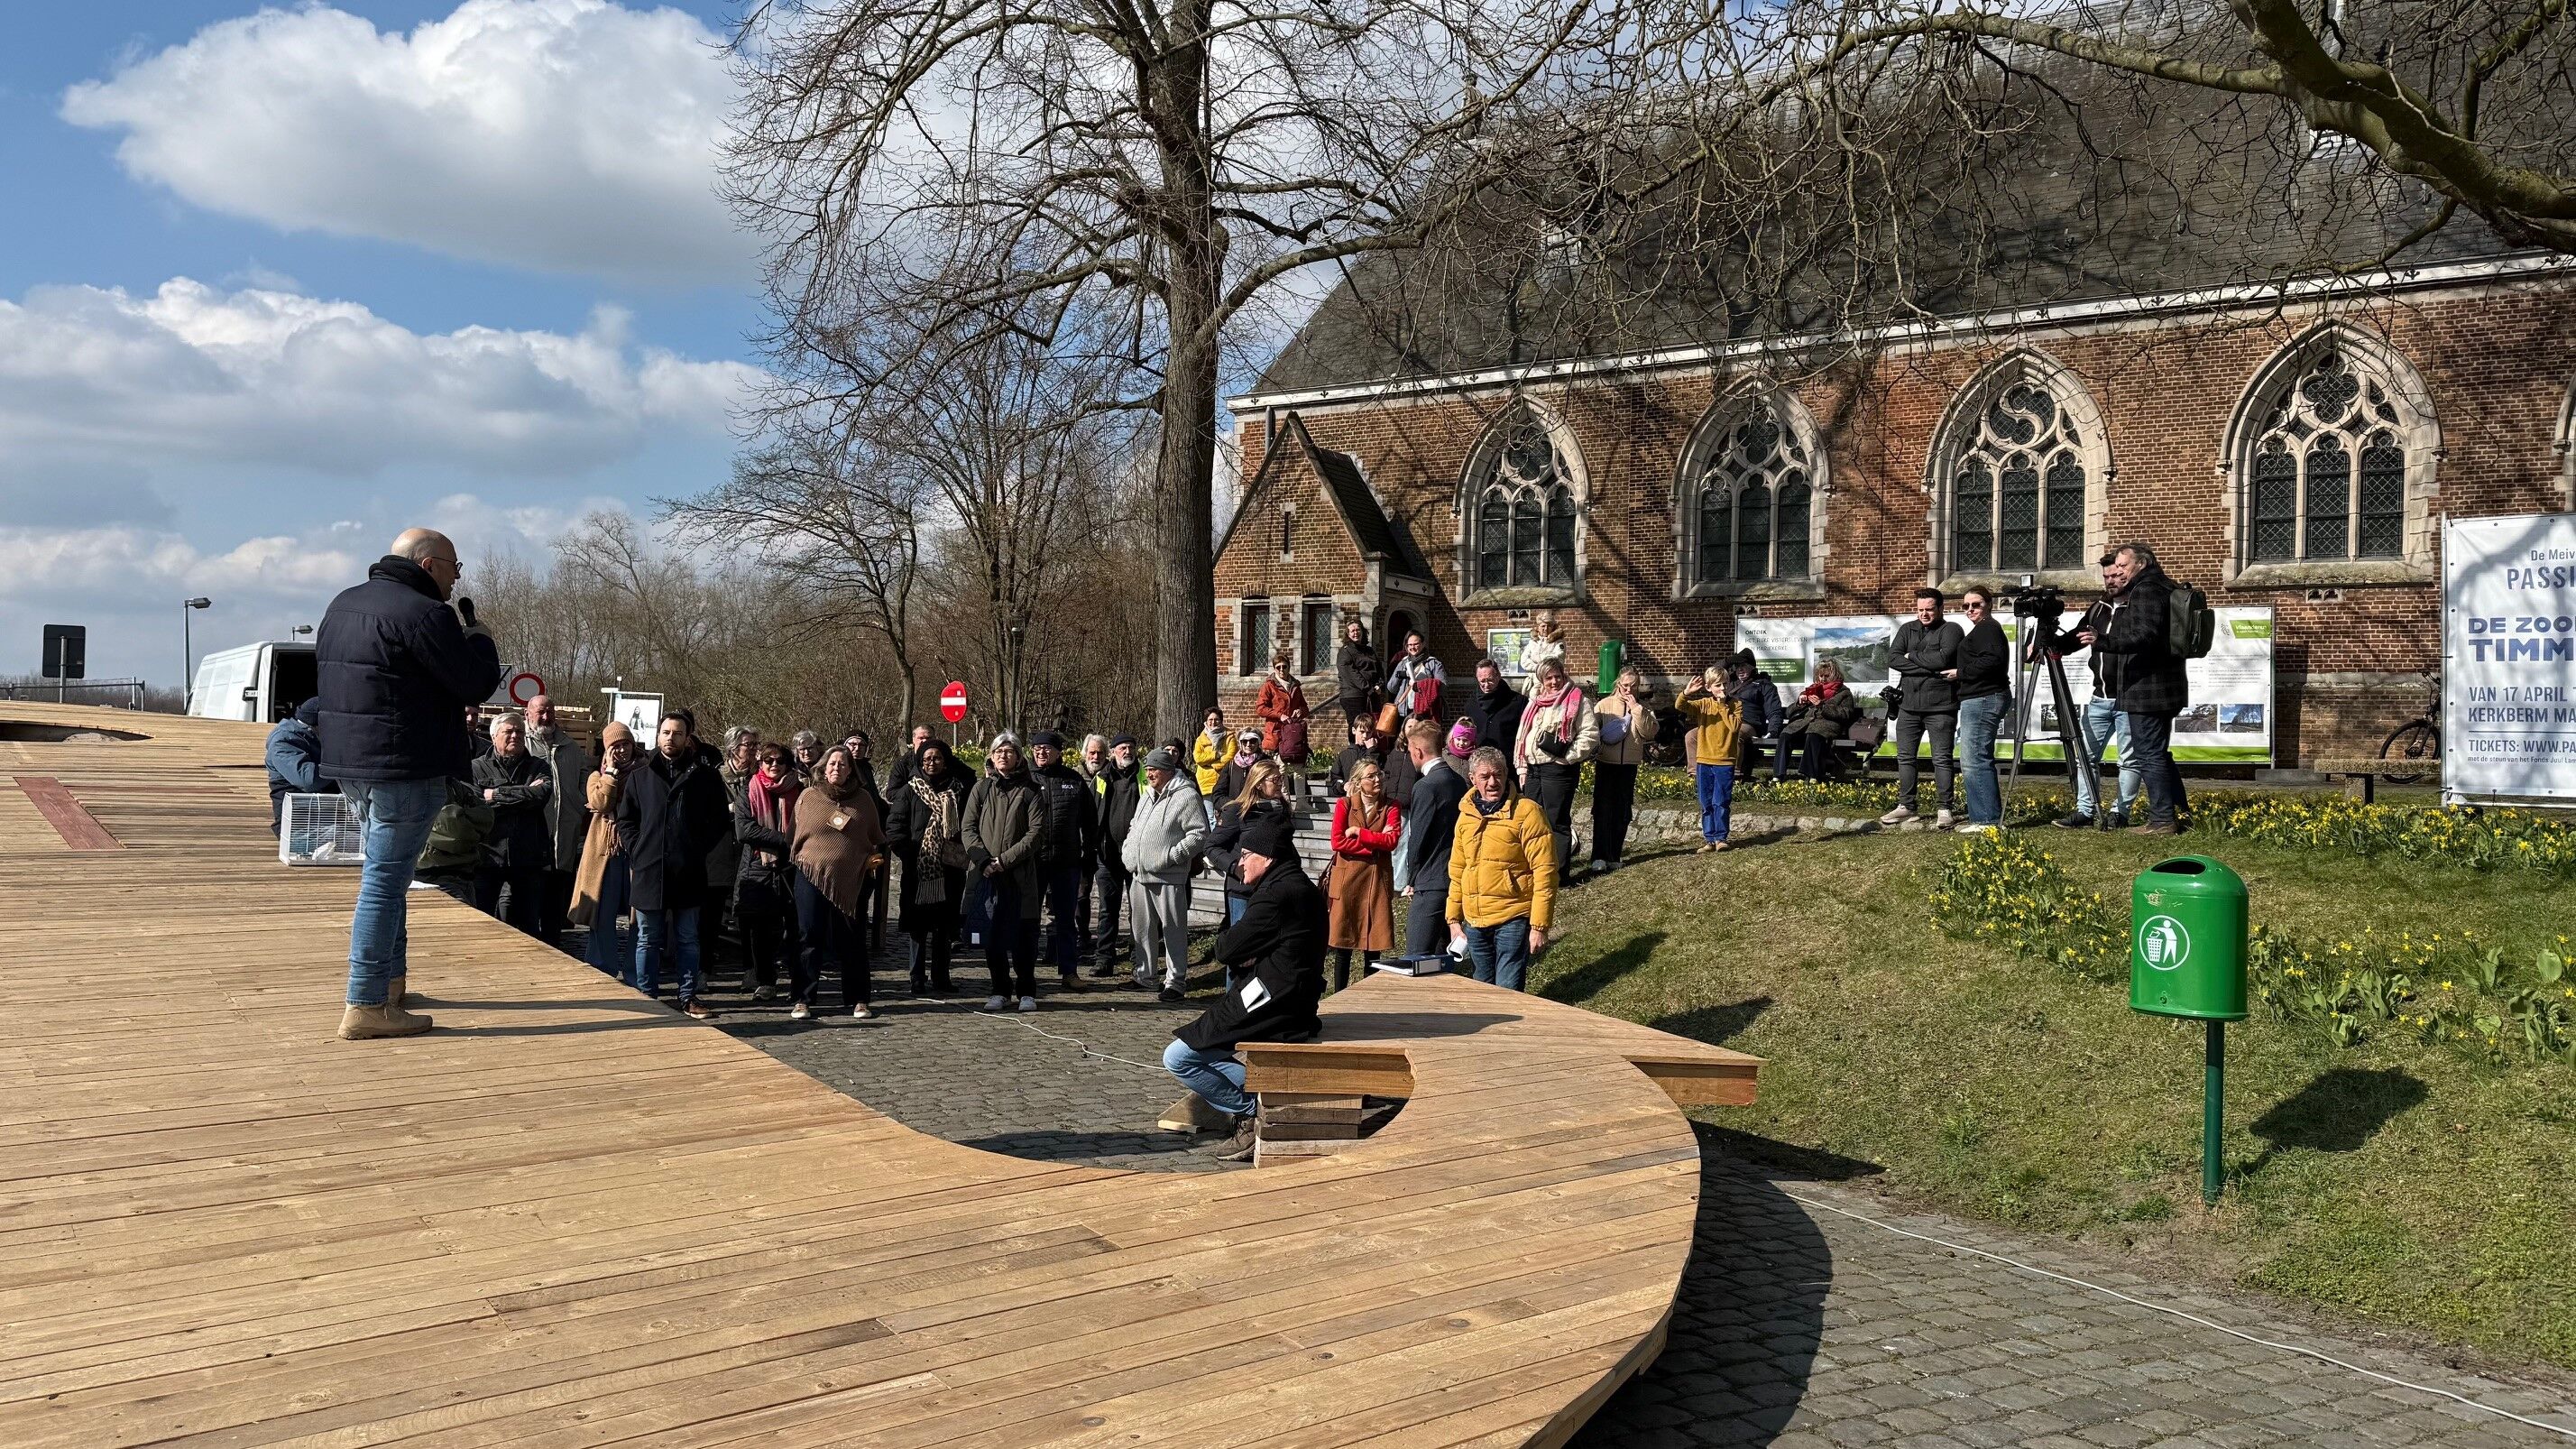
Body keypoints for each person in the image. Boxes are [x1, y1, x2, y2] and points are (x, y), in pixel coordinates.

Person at [316, 527, 502, 1040]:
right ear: (428, 565)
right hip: (405, 766)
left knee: (389, 876)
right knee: (384, 883)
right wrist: (481, 638)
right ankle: (366, 1002)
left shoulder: (342, 605)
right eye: (454, 567)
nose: (456, 578)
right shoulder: (426, 614)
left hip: (351, 765)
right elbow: (474, 682)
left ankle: (390, 986)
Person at [1163, 811, 1327, 1162]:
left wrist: (1245, 952)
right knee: (1202, 1045)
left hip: (1277, 1003)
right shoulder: (1295, 884)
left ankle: (1251, 1110)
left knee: (1178, 1058)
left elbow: (1226, 949)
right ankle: (1261, 1098)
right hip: (1289, 998)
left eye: (1246, 854)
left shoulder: (1277, 894)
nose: (1239, 862)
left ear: (1267, 857)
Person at [614, 712, 732, 1019]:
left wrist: (696, 848)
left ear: (687, 738)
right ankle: (647, 998)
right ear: (658, 735)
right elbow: (626, 820)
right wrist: (638, 849)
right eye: (666, 732)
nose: (671, 738)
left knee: (688, 938)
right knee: (647, 938)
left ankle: (688, 996)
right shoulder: (641, 776)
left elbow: (719, 821)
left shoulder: (705, 777)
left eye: (677, 733)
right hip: (650, 869)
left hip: (688, 871)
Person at [2084, 541, 2191, 835]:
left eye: (2123, 565)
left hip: (2147, 690)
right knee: (2159, 753)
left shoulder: (2145, 590)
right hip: (2167, 687)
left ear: (2141, 564)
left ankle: (2162, 820)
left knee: (2149, 755)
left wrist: (2103, 641)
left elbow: (2144, 636)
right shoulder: (2166, 586)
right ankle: (2180, 812)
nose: (2118, 571)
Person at [1446, 746, 1556, 991]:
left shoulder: (1528, 812)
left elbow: (1545, 872)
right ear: (1472, 779)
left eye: (1498, 774)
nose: (1492, 782)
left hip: (1513, 917)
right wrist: (1453, 920)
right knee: (1482, 991)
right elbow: (1458, 870)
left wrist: (1539, 926)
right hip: (1475, 921)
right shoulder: (1465, 816)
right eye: (1485, 777)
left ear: (1507, 774)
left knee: (1507, 991)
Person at [789, 744, 887, 1020]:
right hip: (810, 875)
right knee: (809, 935)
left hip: (851, 879)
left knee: (852, 939)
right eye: (832, 764)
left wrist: (869, 860)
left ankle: (858, 999)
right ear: (823, 768)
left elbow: (875, 837)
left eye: (842, 764)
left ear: (851, 770)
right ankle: (803, 999)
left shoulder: (864, 799)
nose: (836, 768)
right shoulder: (808, 796)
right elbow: (793, 835)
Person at [965, 733, 1047, 1011]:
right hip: (988, 875)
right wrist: (984, 861)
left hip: (1020, 876)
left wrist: (1005, 860)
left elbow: (1036, 833)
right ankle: (1000, 989)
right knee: (993, 935)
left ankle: (1027, 991)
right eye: (998, 751)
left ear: (1019, 757)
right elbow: (968, 828)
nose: (1003, 756)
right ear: (991, 755)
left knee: (1025, 936)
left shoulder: (1031, 791)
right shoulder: (981, 789)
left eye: (1009, 751)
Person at [885, 737, 971, 995]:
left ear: (946, 761)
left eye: (937, 758)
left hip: (950, 869)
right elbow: (895, 827)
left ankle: (941, 977)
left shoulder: (959, 790)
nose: (932, 763)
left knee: (945, 926)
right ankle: (917, 977)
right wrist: (909, 854)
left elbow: (969, 824)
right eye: (927, 759)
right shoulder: (910, 790)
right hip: (919, 869)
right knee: (918, 927)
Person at [1122, 745, 1208, 1000]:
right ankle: (1146, 976)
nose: (1149, 774)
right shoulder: (1147, 795)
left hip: (1169, 876)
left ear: (1168, 770)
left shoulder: (1186, 796)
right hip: (1139, 875)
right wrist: (1128, 852)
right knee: (1142, 930)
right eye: (1148, 769)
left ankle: (1176, 982)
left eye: (1154, 770)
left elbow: (1199, 833)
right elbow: (1134, 826)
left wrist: (1172, 857)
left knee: (1173, 930)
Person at [1880, 588, 1964, 828]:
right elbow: (1893, 659)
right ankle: (1906, 806)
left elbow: (1944, 659)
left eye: (1929, 609)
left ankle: (1944, 808)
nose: (1924, 614)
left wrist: (1911, 656)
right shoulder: (1907, 629)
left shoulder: (1952, 630)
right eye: (1920, 610)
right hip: (1908, 706)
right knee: (1905, 757)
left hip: (1941, 707)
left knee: (1942, 759)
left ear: (1940, 608)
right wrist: (1930, 668)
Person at [1513, 656, 1596, 881]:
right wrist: (1522, 767)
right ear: (1541, 680)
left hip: (1558, 769)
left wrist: (1568, 758)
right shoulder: (1535, 701)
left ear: (1563, 675)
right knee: (1533, 821)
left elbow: (1589, 735)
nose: (1554, 682)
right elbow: (1523, 734)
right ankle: (1536, 870)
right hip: (1533, 768)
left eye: (1557, 676)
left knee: (1556, 821)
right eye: (1548, 678)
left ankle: (1559, 876)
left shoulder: (1577, 700)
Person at [729, 742, 801, 1001]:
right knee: (760, 931)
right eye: (768, 760)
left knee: (795, 928)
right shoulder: (750, 789)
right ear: (760, 763)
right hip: (758, 867)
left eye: (779, 761)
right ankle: (766, 981)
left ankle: (799, 983)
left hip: (793, 867)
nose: (774, 765)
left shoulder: (800, 791)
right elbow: (745, 831)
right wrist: (785, 839)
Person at [1028, 731, 1099, 991]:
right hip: (1033, 862)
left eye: (1047, 748)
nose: (1041, 752)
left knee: (1066, 920)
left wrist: (1089, 854)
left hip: (1066, 861)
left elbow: (1090, 822)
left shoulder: (1073, 780)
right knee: (1028, 919)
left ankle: (1069, 972)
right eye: (1037, 748)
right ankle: (1026, 973)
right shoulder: (1025, 779)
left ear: (1058, 752)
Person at [470, 714, 554, 935]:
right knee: (480, 921)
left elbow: (540, 796)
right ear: (494, 736)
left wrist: (495, 795)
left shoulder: (539, 766)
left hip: (528, 856)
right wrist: (524, 794)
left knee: (528, 925)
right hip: (487, 856)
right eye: (509, 731)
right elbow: (476, 804)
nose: (515, 736)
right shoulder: (476, 768)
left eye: (519, 732)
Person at [1394, 717, 1470, 955]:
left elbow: (1418, 837)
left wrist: (1411, 879)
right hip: (1455, 879)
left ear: (1417, 751)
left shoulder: (1426, 786)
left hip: (1430, 881)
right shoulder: (1459, 782)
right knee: (1442, 957)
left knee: (1416, 956)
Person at [521, 695, 593, 946]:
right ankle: (530, 946)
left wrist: (579, 803)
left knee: (556, 897)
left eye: (550, 711)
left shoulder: (569, 746)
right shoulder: (523, 744)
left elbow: (584, 774)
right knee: (530, 898)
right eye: (540, 712)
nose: (546, 717)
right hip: (533, 835)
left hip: (564, 835)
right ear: (528, 714)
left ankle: (554, 945)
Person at [1326, 757, 1400, 989]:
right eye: (1371, 776)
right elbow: (1337, 842)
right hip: (1347, 882)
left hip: (1377, 882)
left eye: (1379, 774)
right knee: (1343, 946)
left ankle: (1368, 994)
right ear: (1358, 781)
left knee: (1373, 945)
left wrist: (1359, 832)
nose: (1377, 779)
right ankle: (1339, 994)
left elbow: (1392, 841)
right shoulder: (1345, 804)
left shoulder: (1391, 806)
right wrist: (1375, 845)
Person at [571, 722, 636, 978]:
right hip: (605, 853)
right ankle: (602, 968)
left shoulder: (644, 773)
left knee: (638, 917)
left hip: (634, 851)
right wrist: (610, 774)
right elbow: (600, 802)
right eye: (615, 746)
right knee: (602, 914)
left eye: (626, 744)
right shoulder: (596, 777)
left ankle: (635, 972)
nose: (622, 750)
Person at [1953, 586, 2014, 833]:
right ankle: (1983, 817)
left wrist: (1960, 673)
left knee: (1975, 759)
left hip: (1983, 698)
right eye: (1966, 606)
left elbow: (1992, 661)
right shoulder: (1983, 628)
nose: (1970, 610)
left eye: (1976, 604)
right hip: (1980, 697)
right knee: (1975, 758)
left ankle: (1986, 821)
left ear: (1989, 604)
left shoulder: (1988, 628)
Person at [1207, 758, 1290, 934]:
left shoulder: (1281, 810)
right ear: (1259, 784)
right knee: (1243, 944)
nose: (1279, 784)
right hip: (1243, 891)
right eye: (1275, 780)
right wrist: (1235, 867)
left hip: (1274, 889)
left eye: (1281, 778)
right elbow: (1211, 846)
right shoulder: (1237, 810)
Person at [1588, 668, 1658, 872]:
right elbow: (1592, 731)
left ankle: (1614, 855)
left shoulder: (1644, 708)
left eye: (1633, 686)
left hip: (1628, 765)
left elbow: (1649, 732)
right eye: (1625, 685)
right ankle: (1599, 856)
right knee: (1602, 809)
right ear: (1618, 684)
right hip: (1606, 763)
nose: (1629, 689)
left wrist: (1636, 709)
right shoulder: (1604, 705)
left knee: (1622, 811)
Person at [1090, 734, 1144, 976]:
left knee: (1139, 911)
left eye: (1131, 747)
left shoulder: (1144, 776)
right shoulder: (1101, 778)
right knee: (1107, 910)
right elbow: (1091, 811)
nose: (1127, 751)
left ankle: (1138, 958)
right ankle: (1104, 958)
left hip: (1137, 856)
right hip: (1107, 855)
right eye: (1122, 748)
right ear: (1112, 752)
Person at [1676, 666, 1745, 852]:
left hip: (1725, 761)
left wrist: (1723, 706)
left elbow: (1734, 727)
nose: (1722, 688)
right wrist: (1686, 693)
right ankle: (1710, 839)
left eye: (1725, 684)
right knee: (1706, 802)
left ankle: (1721, 838)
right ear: (1708, 687)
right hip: (1704, 761)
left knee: (1721, 801)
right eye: (1718, 685)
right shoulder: (1704, 704)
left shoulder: (1736, 704)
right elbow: (1680, 706)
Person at [1774, 660, 1862, 781]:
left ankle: (1811, 775)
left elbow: (1846, 714)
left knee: (1814, 734)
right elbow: (1789, 713)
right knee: (1785, 735)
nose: (1823, 679)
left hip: (1827, 726)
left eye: (1827, 676)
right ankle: (1778, 775)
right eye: (1821, 676)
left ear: (1834, 675)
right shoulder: (1811, 690)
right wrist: (1799, 703)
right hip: (1804, 725)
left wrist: (1822, 706)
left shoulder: (1843, 693)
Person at [264, 696, 334, 835]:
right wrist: (342, 766)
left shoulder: (310, 736)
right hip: (298, 825)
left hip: (324, 815)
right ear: (319, 725)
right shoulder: (283, 741)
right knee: (364, 838)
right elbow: (308, 780)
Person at [1722, 649, 1783, 786]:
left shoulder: (1764, 685)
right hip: (1724, 720)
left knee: (1734, 732)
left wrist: (1772, 731)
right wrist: (1728, 661)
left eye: (1744, 666)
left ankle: (1734, 777)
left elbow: (1774, 710)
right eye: (1737, 666)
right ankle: (1695, 774)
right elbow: (1711, 674)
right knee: (1693, 736)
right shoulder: (1728, 682)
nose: (1740, 669)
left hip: (1748, 724)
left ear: (1752, 667)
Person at [1254, 651, 1311, 761]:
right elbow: (1260, 708)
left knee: (1294, 766)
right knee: (1275, 766)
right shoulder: (1269, 686)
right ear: (1274, 669)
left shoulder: (1295, 686)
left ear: (1289, 667)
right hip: (1275, 733)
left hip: (1292, 734)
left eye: (1284, 667)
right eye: (1278, 667)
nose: (1281, 670)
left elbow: (1305, 708)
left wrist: (1300, 711)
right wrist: (1280, 715)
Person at [1466, 659, 1527, 759]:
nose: (1486, 685)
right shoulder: (1471, 705)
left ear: (1498, 676)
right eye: (1482, 681)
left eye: (1490, 680)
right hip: (1480, 761)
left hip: (1508, 762)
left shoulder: (1519, 702)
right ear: (1477, 678)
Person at [1385, 631, 1447, 722]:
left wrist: (1420, 685)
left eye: (1416, 644)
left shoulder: (1433, 663)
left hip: (1425, 712)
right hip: (1404, 711)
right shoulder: (1402, 663)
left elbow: (1443, 688)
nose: (1412, 647)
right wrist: (1400, 675)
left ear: (1423, 644)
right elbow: (1391, 688)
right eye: (1410, 645)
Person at [1333, 618, 1381, 733]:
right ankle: (1354, 745)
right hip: (1353, 696)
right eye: (1352, 631)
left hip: (1371, 695)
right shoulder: (1345, 652)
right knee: (1357, 728)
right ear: (1348, 634)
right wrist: (1369, 689)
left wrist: (1380, 684)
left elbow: (1379, 669)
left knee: (1371, 728)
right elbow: (1352, 675)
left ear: (1363, 631)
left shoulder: (1369, 651)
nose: (1356, 633)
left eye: (1358, 630)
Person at [1329, 715, 1388, 796]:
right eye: (1362, 732)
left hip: (1371, 797)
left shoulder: (1379, 754)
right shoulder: (1344, 755)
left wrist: (1372, 751)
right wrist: (1343, 785)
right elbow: (1335, 778)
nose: (1365, 736)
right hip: (1351, 797)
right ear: (1354, 730)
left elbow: (1379, 773)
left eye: (1368, 733)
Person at [1216, 726, 1265, 806]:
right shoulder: (1231, 765)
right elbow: (1218, 793)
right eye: (1245, 741)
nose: (1248, 745)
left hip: (1259, 810)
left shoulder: (1266, 763)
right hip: (1235, 810)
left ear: (1258, 743)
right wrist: (1232, 805)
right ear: (1240, 743)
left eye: (1252, 741)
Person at [1192, 707, 1231, 804]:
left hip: (1224, 781)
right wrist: (1216, 755)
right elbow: (1198, 758)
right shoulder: (1200, 739)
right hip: (1206, 783)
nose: (1213, 722)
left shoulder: (1229, 736)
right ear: (1206, 721)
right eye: (1210, 719)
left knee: (1224, 810)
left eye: (1216, 719)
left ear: (1221, 720)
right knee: (1210, 812)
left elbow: (1230, 757)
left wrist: (1213, 765)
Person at [1517, 611, 1566, 680]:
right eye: (1543, 626)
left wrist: (1535, 657)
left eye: (1549, 626)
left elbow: (1558, 658)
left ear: (1553, 627)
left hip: (1551, 679)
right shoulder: (1533, 642)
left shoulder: (1558, 642)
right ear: (1538, 627)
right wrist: (1539, 668)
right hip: (1534, 679)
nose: (1546, 629)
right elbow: (1524, 661)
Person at [886, 723, 934, 793]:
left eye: (928, 738)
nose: (925, 741)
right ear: (913, 740)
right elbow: (892, 793)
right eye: (921, 738)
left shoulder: (943, 761)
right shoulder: (903, 764)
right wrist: (915, 789)